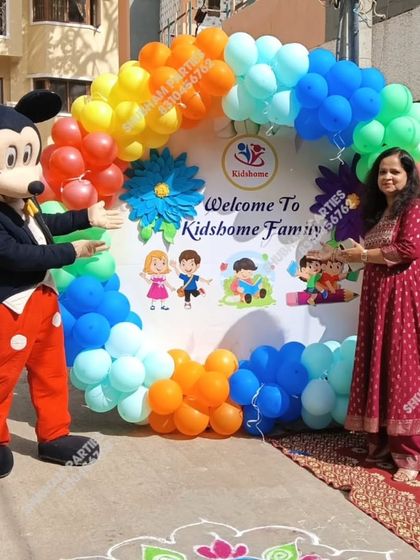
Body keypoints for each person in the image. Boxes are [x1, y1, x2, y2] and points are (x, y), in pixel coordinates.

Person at [308, 147, 420, 482]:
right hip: (376, 298)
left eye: (395, 172)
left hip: (401, 298)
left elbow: (408, 249)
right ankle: (382, 443)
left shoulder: (413, 208)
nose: (387, 177)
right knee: (379, 362)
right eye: (383, 172)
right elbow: (367, 255)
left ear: (408, 176)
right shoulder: (378, 213)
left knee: (402, 367)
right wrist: (342, 255)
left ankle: (410, 456)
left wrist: (364, 255)